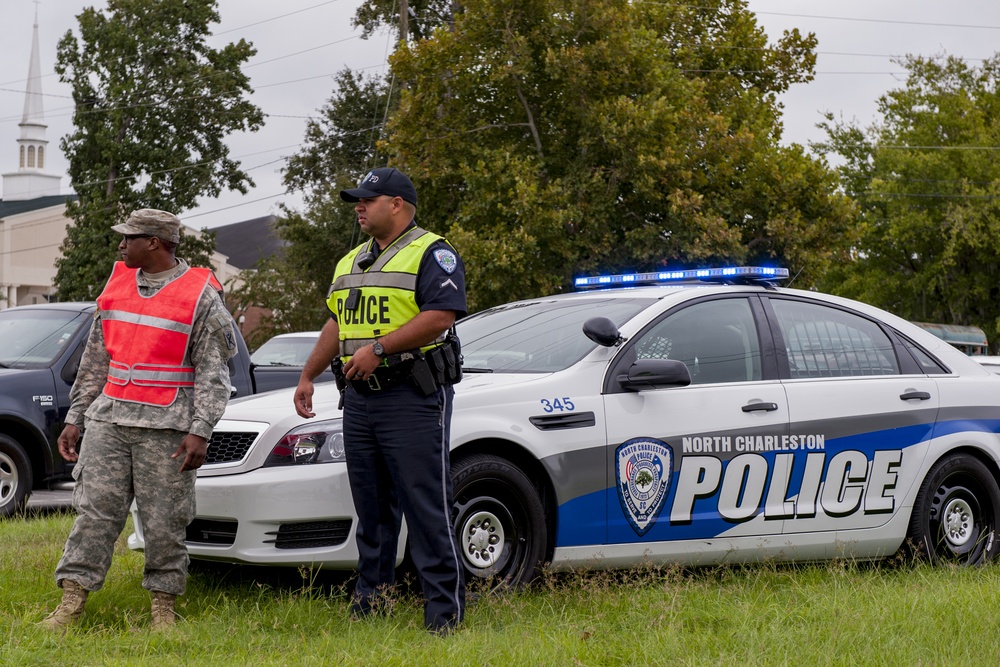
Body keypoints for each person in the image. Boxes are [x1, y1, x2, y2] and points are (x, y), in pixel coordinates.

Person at [40, 209, 237, 632]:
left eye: (129, 238)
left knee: (165, 520)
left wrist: (200, 430)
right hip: (109, 422)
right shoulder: (116, 286)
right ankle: (71, 603)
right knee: (93, 514)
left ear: (155, 242)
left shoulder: (200, 295)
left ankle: (163, 609)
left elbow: (213, 374)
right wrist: (77, 416)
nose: (121, 245)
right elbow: (96, 359)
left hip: (167, 430)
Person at [294, 167, 467, 634]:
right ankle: (373, 602)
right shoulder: (350, 260)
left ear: (397, 204)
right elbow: (335, 323)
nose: (359, 206)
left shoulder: (432, 251)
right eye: (357, 199)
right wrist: (308, 374)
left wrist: (380, 348)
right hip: (361, 400)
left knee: (426, 505)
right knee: (371, 508)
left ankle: (443, 614)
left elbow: (440, 316)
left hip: (412, 394)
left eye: (368, 199)